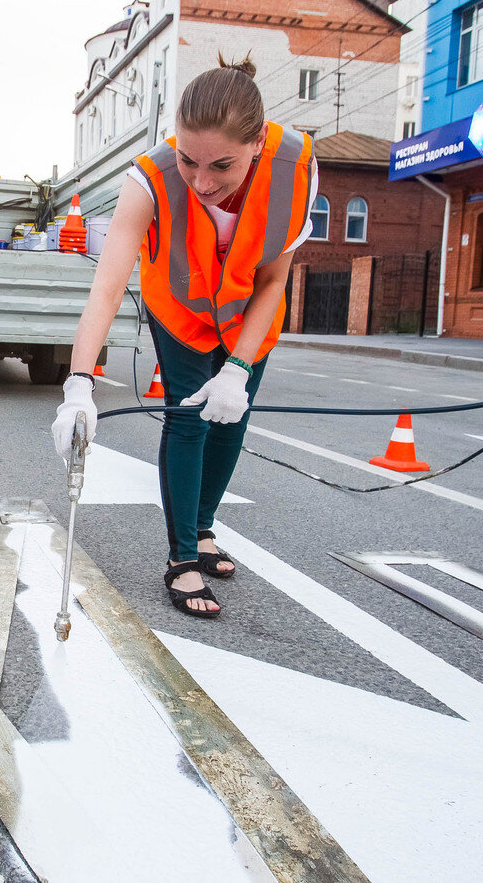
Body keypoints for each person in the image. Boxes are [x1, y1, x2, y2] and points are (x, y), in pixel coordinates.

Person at [53, 56, 317, 618]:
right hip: (181, 310)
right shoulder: (148, 179)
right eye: (188, 160)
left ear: (257, 144)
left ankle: (202, 529)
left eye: (222, 165)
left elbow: (273, 278)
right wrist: (78, 387)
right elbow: (105, 289)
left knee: (230, 417)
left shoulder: (295, 166)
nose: (201, 182)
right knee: (189, 419)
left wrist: (240, 369)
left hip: (250, 311)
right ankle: (181, 559)